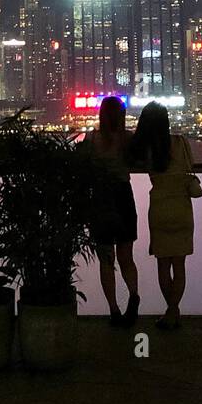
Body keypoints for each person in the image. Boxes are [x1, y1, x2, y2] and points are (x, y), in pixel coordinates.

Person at [129, 102, 201, 331]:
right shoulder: (181, 142)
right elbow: (192, 166)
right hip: (182, 206)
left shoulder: (147, 148)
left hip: (159, 208)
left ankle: (171, 311)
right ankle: (173, 311)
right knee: (180, 265)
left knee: (163, 265)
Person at [82, 96, 140, 327]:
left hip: (100, 198)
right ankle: (134, 295)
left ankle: (114, 310)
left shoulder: (92, 139)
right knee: (127, 256)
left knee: (107, 259)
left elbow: (83, 167)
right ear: (121, 115)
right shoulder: (128, 139)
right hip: (123, 196)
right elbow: (139, 161)